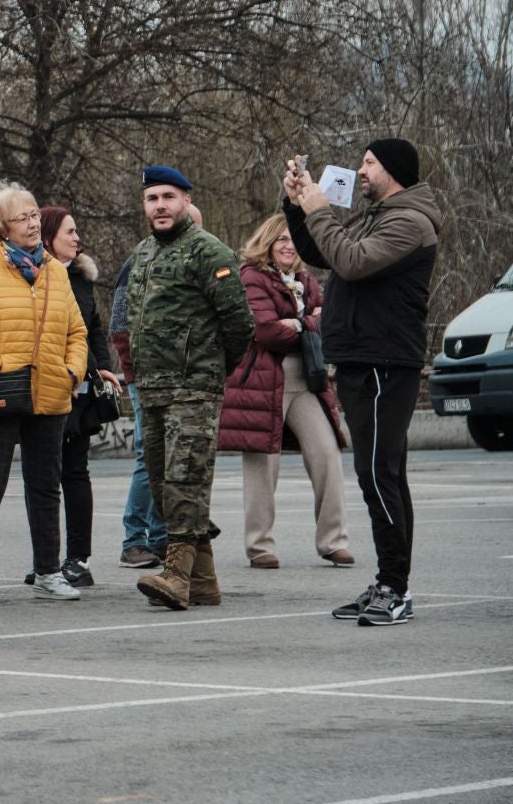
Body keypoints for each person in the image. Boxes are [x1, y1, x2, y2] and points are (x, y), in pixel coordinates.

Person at [283, 138, 441, 627]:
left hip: (384, 359)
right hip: (362, 356)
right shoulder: (379, 215)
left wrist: (321, 209)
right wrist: (296, 206)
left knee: (378, 474)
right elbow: (323, 252)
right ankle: (390, 582)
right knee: (384, 473)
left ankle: (396, 588)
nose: (360, 170)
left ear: (392, 169)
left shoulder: (409, 222)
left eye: (369, 162)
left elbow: (351, 260)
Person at [0, 185, 88, 604]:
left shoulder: (56, 272)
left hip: (49, 393)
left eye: (33, 215)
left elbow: (76, 332)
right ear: (1, 228)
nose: (32, 223)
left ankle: (48, 571)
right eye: (21, 218)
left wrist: (72, 370)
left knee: (45, 486)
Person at [125, 167, 253, 610]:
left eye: (168, 197)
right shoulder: (143, 253)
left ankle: (177, 576)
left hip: (193, 390)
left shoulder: (207, 251)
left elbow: (239, 323)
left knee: (185, 480)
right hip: (154, 390)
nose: (159, 205)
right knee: (165, 484)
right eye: (151, 198)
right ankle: (204, 580)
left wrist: (210, 369)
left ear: (185, 201)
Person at [217, 215, 354, 570]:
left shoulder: (307, 280)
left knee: (327, 454)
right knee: (264, 467)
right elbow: (264, 331)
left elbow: (331, 322)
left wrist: (300, 323)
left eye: (294, 240)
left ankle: (333, 541)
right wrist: (311, 321)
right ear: (267, 242)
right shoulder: (251, 276)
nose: (289, 246)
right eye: (281, 239)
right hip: (263, 380)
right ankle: (259, 546)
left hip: (306, 379)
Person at [34, 205, 122, 588]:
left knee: (74, 471)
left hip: (80, 389)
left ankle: (77, 559)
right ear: (49, 236)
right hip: (42, 387)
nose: (76, 238)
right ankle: (47, 562)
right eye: (69, 232)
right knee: (44, 477)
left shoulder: (80, 281)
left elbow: (94, 330)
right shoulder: (33, 276)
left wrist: (102, 367)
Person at [109, 257, 167, 569]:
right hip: (145, 376)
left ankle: (159, 537)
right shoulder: (137, 264)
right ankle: (134, 539)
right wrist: (136, 370)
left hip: (177, 376)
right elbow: (119, 325)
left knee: (167, 456)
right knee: (149, 454)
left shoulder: (197, 258)